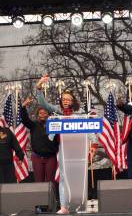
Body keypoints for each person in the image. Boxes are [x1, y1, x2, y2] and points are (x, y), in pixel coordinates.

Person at [35, 74, 83, 214]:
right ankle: (64, 207)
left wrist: (92, 145)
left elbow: (90, 129)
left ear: (73, 101)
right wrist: (39, 87)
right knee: (63, 177)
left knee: (76, 177)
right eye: (64, 99)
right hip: (63, 148)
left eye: (69, 99)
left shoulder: (80, 114)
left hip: (77, 148)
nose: (66, 101)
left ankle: (77, 205)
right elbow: (43, 104)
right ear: (61, 102)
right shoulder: (57, 112)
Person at [20, 97, 59, 183]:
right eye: (40, 113)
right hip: (37, 157)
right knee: (39, 181)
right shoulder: (34, 125)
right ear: (38, 115)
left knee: (50, 182)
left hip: (51, 157)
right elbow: (25, 120)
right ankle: (40, 197)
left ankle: (51, 196)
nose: (42, 115)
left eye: (45, 113)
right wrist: (23, 107)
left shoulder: (54, 125)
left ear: (48, 114)